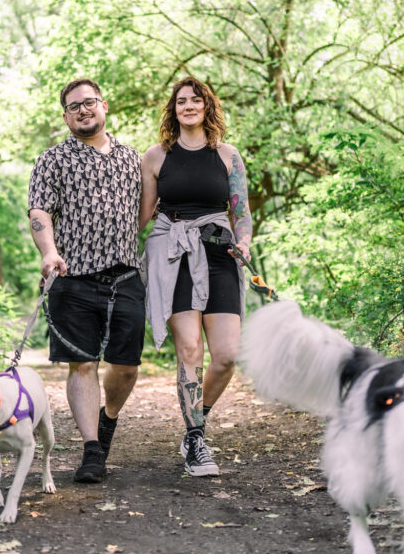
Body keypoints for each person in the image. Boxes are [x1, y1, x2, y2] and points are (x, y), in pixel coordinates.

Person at [28, 78, 145, 483]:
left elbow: (149, 211)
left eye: (89, 102)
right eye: (74, 106)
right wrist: (48, 252)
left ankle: (107, 420)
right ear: (65, 117)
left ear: (104, 106)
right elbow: (39, 211)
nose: (83, 109)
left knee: (126, 367)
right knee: (82, 365)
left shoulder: (133, 159)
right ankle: (92, 450)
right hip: (72, 278)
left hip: (126, 276)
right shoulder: (52, 160)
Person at [140, 77, 252, 477]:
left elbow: (242, 212)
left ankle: (195, 422)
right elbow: (143, 215)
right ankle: (197, 439)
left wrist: (245, 243)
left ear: (207, 107)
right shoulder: (156, 156)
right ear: (173, 109)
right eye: (181, 101)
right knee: (190, 349)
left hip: (220, 252)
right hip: (173, 253)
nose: (188, 106)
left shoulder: (227, 155)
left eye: (196, 100)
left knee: (225, 357)